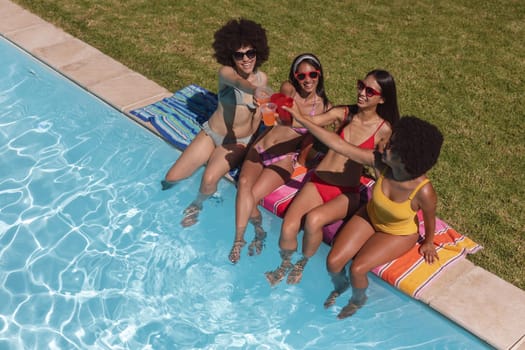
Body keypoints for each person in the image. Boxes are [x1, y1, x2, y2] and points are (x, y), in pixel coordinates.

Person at [291, 113, 443, 319]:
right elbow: (339, 145)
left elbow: (430, 216)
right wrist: (299, 117)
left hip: (398, 233)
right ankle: (340, 286)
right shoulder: (381, 164)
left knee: (357, 269)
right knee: (333, 263)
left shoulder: (423, 191)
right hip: (370, 216)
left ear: (406, 157)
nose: (385, 144)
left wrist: (429, 242)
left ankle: (358, 299)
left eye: (392, 145)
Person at [265, 70, 399, 286]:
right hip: (319, 182)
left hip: (346, 193)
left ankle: (302, 263)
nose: (362, 93)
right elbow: (309, 122)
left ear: (382, 99)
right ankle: (284, 264)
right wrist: (286, 108)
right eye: (360, 85)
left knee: (313, 220)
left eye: (370, 91)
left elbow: (384, 166)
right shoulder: (344, 113)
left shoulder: (384, 130)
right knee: (288, 226)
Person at [161, 18, 270, 227]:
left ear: (258, 52)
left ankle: (197, 205)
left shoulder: (262, 79)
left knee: (209, 180)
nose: (246, 59)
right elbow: (240, 83)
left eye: (251, 53)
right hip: (211, 133)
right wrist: (253, 90)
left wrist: (252, 139)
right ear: (231, 56)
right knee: (172, 178)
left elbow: (257, 115)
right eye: (239, 55)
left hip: (236, 141)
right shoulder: (226, 73)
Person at [229, 53, 332, 263]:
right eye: (301, 76)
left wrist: (304, 162)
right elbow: (274, 105)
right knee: (244, 185)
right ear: (295, 77)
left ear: (319, 75)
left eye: (312, 74)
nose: (307, 80)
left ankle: (252, 236)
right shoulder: (289, 90)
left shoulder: (325, 108)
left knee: (253, 196)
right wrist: (269, 105)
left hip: (284, 158)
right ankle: (245, 237)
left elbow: (310, 139)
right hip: (261, 147)